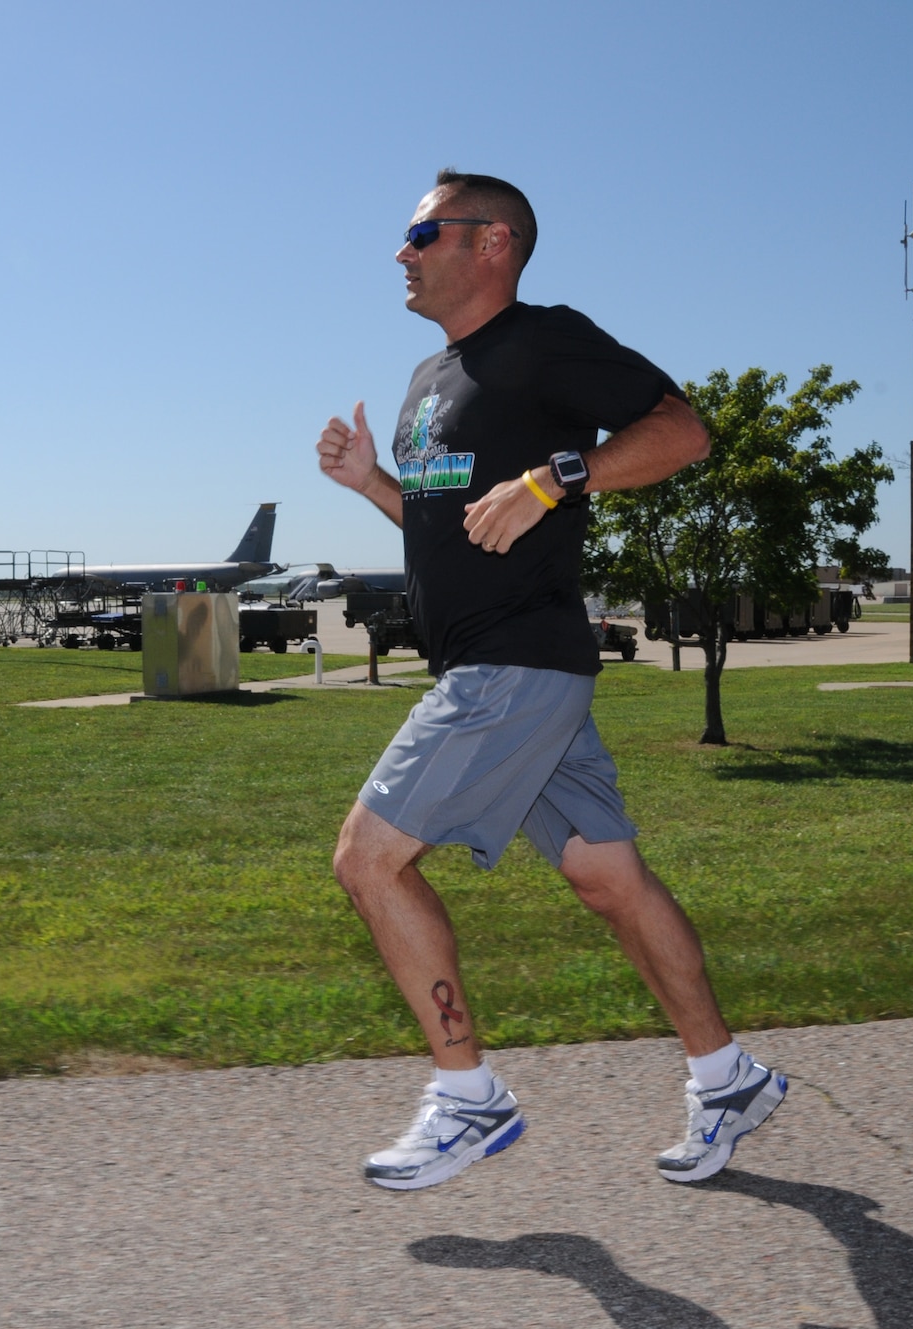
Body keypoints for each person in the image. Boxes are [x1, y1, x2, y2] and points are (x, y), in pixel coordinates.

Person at [315, 169, 786, 1191]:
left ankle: (467, 1102)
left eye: (420, 231)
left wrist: (556, 476)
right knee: (603, 877)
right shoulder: (427, 380)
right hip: (511, 670)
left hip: (511, 667)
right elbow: (450, 528)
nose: (401, 251)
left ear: (490, 242)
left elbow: (682, 431)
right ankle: (727, 1076)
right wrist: (370, 486)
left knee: (368, 859)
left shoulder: (540, 339)